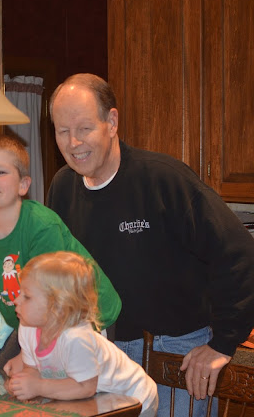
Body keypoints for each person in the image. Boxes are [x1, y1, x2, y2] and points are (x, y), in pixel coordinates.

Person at [46, 73, 254, 417]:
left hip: (176, 357)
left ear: (112, 122)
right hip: (98, 353)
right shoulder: (62, 188)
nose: (73, 142)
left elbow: (240, 254)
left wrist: (223, 343)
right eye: (62, 131)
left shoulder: (163, 179)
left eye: (84, 128)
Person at [0, 135, 122, 380]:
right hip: (32, 320)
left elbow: (55, 299)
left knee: (68, 387)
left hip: (81, 315)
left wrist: (29, 358)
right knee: (4, 377)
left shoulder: (40, 226)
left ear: (23, 185)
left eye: (1, 172)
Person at [7, 251, 157, 417]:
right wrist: (24, 383)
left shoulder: (75, 337)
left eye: (27, 297)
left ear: (57, 307)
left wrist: (39, 386)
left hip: (134, 397)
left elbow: (85, 387)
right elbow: (32, 369)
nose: (16, 300)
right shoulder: (28, 327)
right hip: (97, 397)